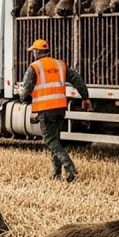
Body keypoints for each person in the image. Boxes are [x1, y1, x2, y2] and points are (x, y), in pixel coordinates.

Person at [20, 39, 92, 182]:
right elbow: (77, 79)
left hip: (45, 110)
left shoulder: (34, 67)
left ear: (36, 52)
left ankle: (71, 171)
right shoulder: (60, 65)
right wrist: (85, 97)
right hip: (60, 108)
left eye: (33, 51)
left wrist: (23, 99)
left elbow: (26, 89)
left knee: (51, 141)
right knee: (55, 141)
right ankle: (56, 173)